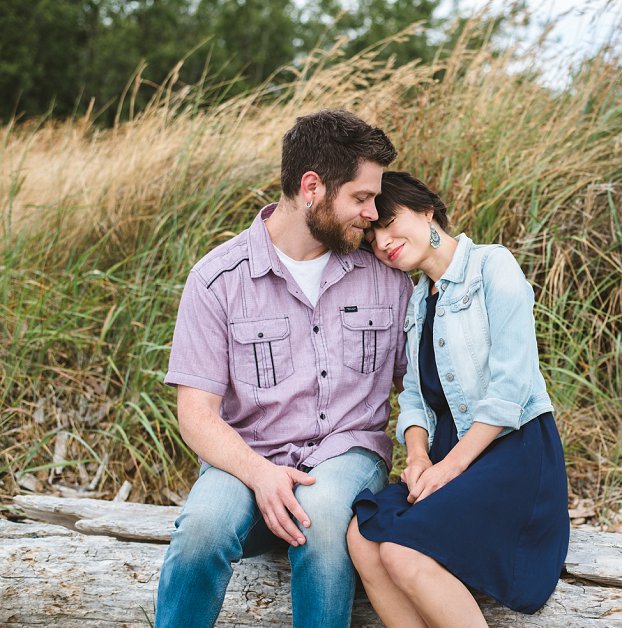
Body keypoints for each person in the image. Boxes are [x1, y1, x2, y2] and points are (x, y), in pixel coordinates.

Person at [155, 110, 414, 628]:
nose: (372, 213)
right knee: (203, 529)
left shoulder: (386, 277)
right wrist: (261, 475)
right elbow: (196, 415)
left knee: (320, 521)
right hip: (247, 460)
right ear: (312, 187)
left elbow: (423, 388)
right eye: (361, 198)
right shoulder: (216, 280)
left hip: (347, 452)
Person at [346, 172, 570, 626]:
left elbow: (512, 387)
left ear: (427, 210)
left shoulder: (492, 265)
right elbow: (413, 393)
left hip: (514, 453)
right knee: (360, 537)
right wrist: (417, 456)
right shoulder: (416, 302)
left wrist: (450, 467)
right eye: (373, 238)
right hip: (450, 453)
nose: (384, 242)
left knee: (403, 552)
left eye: (391, 222)